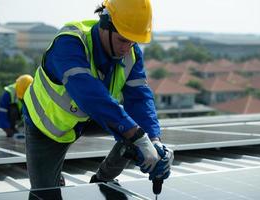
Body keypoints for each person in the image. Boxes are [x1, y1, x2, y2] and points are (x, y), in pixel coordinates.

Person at [23, 0, 174, 199]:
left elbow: (139, 98)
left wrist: (154, 140)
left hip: (90, 116)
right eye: (122, 40)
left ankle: (104, 179)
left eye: (133, 41)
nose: (127, 48)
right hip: (47, 125)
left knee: (137, 132)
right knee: (45, 195)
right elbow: (87, 93)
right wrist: (137, 135)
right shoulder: (70, 42)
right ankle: (54, 179)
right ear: (105, 24)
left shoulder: (131, 52)